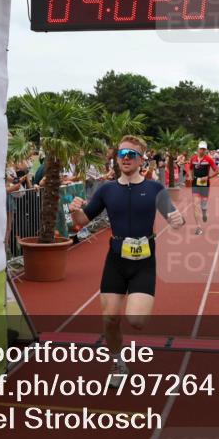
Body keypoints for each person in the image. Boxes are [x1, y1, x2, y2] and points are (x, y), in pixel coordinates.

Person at [68, 135, 185, 384]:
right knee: (110, 318)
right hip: (116, 260)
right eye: (122, 154)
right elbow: (81, 222)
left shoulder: (154, 189)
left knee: (136, 320)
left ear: (142, 159)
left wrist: (178, 220)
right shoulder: (107, 190)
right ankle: (118, 362)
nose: (126, 158)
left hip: (144, 261)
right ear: (116, 159)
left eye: (131, 154)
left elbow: (175, 218)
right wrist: (75, 209)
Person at [189, 141, 219, 235]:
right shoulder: (193, 159)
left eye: (204, 149)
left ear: (206, 149)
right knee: (195, 204)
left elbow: (217, 171)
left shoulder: (209, 159)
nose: (202, 150)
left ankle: (204, 212)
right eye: (201, 148)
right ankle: (198, 227)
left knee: (203, 205)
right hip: (195, 183)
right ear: (198, 148)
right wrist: (190, 176)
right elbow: (190, 168)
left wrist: (208, 177)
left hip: (205, 184)